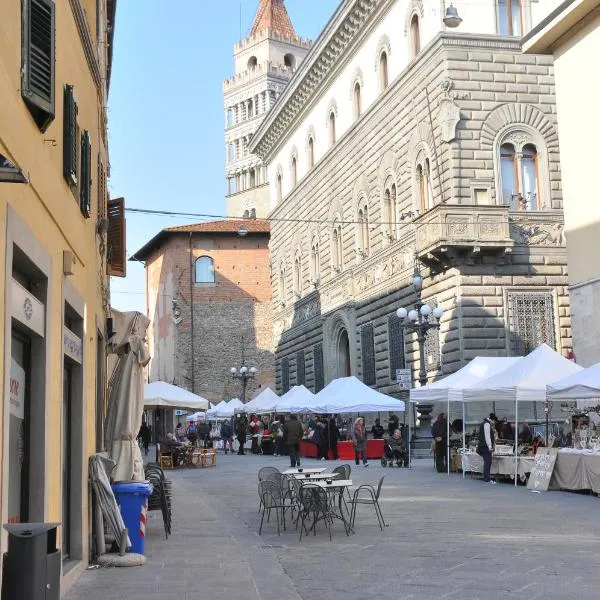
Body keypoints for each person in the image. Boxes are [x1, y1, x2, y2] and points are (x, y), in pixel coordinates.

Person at [476, 413, 497, 484]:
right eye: (494, 422)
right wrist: (490, 447)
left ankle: (486, 478)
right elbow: (487, 436)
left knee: (487, 462)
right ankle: (487, 479)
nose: (494, 423)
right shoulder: (487, 424)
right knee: (488, 462)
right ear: (493, 420)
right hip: (485, 447)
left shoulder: (485, 423)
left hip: (483, 446)